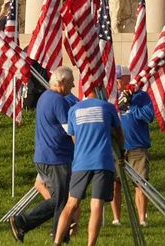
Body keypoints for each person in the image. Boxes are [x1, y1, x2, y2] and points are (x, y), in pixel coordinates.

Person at [11, 67, 76, 243]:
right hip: (57, 157)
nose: (73, 85)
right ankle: (28, 224)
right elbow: (70, 130)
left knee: (58, 200)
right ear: (62, 83)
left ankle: (54, 232)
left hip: (43, 156)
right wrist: (81, 149)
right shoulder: (59, 101)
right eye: (71, 83)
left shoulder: (45, 97)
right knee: (61, 200)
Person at [53, 85, 124, 246]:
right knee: (96, 204)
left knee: (71, 203)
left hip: (80, 161)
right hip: (102, 161)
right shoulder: (108, 107)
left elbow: (73, 137)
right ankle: (90, 244)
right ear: (99, 91)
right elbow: (119, 133)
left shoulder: (74, 110)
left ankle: (57, 241)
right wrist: (121, 149)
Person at [110, 67, 153, 227]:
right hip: (116, 147)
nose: (116, 82)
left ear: (129, 78)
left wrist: (131, 106)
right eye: (115, 78)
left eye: (119, 78)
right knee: (115, 183)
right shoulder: (112, 97)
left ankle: (142, 219)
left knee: (140, 184)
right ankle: (116, 219)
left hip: (137, 146)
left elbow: (149, 116)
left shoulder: (141, 96)